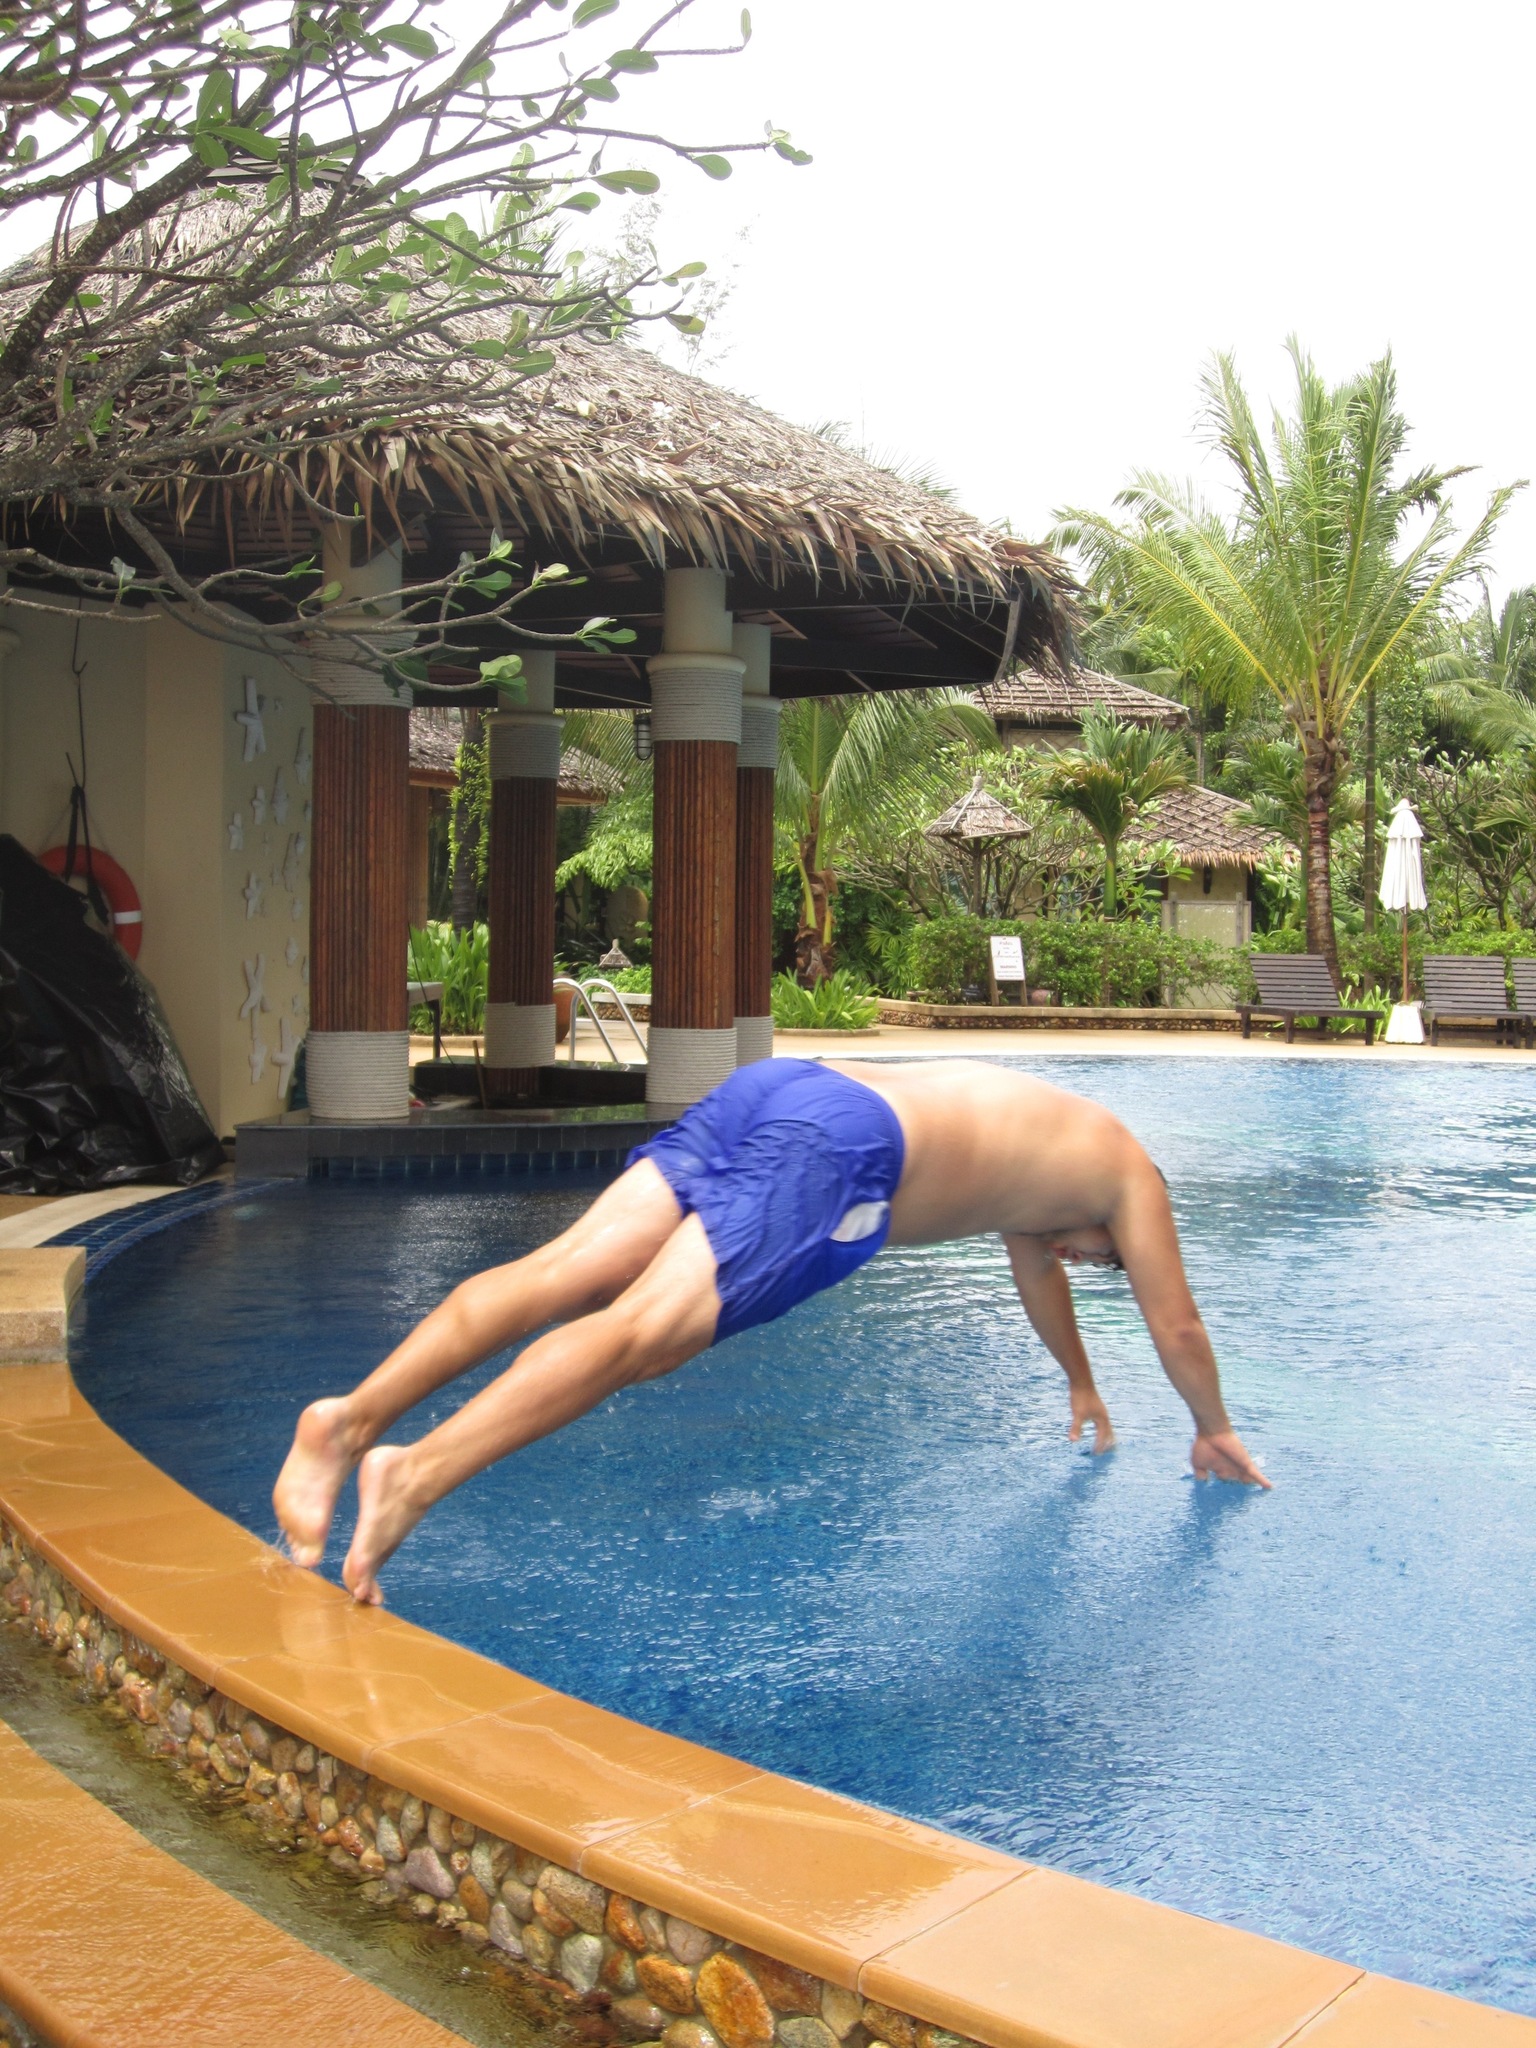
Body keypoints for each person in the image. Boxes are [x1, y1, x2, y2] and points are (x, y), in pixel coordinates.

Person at [274, 1059, 1269, 1603]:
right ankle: (414, 1475)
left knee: (563, 1270)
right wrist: (1213, 1425)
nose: (1086, 1263)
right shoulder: (1131, 1176)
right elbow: (1177, 1322)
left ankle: (344, 1422)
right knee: (643, 1335)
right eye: (1103, 1260)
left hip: (785, 1086)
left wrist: (1080, 1381)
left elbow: (1039, 1279)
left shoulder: (1052, 1155)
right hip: (841, 1146)